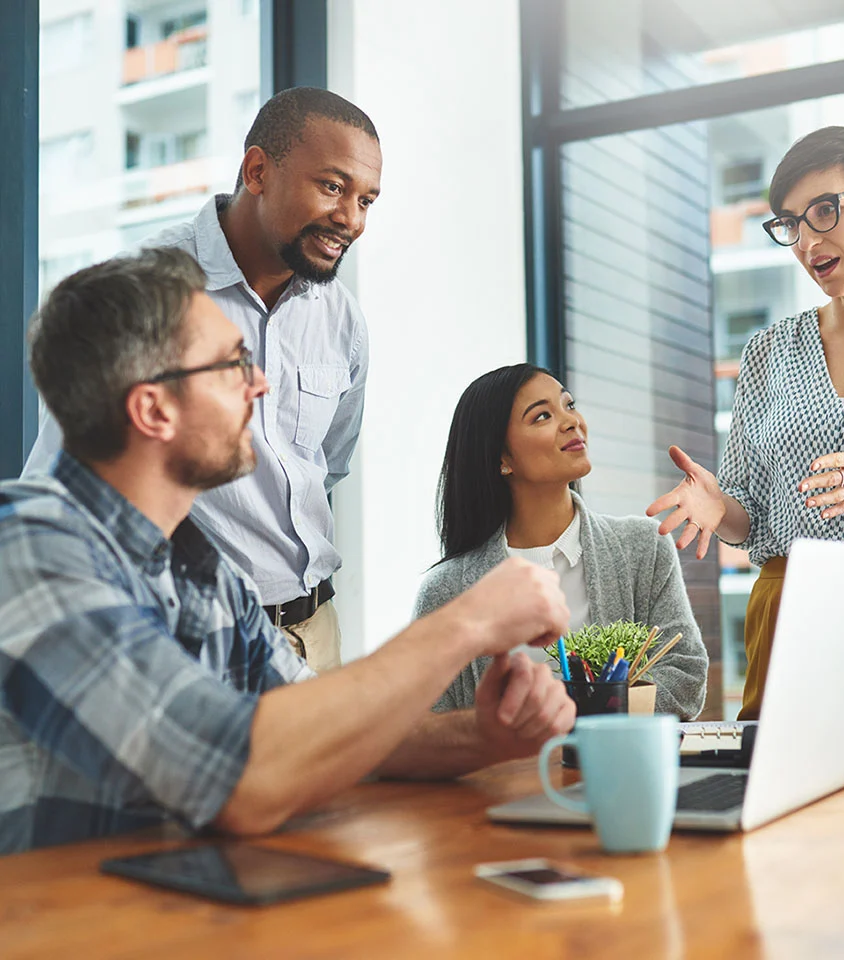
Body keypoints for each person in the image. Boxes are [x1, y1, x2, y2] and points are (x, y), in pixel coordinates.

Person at [0, 250, 575, 855]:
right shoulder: (29, 546)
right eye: (232, 365)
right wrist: (468, 621)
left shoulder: (201, 566)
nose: (261, 383)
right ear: (152, 409)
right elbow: (240, 775)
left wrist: (485, 736)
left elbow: (321, 728)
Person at [23, 87, 382, 674]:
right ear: (258, 170)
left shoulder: (341, 319)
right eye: (333, 186)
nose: (352, 219)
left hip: (317, 630)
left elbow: (327, 464)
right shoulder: (151, 289)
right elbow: (68, 478)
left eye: (367, 199)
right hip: (186, 636)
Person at [646, 125, 844, 720]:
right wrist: (721, 509)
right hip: (792, 615)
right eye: (791, 224)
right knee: (779, 804)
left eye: (824, 211)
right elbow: (751, 520)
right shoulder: (770, 351)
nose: (806, 240)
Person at [414, 363, 708, 719]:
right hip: (501, 776)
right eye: (541, 416)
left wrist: (577, 719)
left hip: (615, 771)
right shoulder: (445, 591)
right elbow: (429, 721)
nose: (572, 421)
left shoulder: (643, 547)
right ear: (502, 459)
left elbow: (685, 676)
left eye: (569, 405)